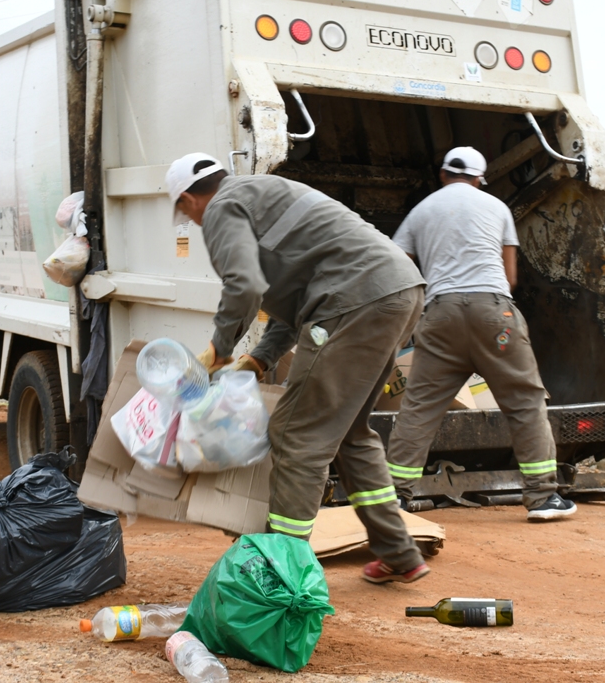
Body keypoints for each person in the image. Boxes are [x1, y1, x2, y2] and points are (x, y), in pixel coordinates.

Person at [167, 152, 431, 583]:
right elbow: (295, 304)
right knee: (348, 433)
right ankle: (400, 553)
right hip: (398, 289)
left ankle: (281, 571)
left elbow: (245, 284)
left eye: (184, 209)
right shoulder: (258, 195)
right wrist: (258, 359)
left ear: (188, 199)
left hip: (355, 299)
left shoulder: (220, 207)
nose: (190, 220)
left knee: (296, 435)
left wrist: (219, 348)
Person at [385, 147, 576, 522]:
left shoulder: (420, 212)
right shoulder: (497, 208)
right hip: (494, 317)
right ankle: (542, 498)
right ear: (479, 178)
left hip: (439, 317)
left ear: (443, 175)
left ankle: (394, 499)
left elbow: (395, 265)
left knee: (419, 408)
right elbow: (510, 278)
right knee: (523, 400)